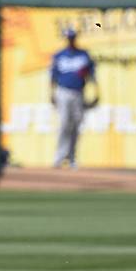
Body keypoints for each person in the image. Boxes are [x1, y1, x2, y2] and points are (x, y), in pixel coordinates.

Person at [50, 28, 97, 169]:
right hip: (63, 91)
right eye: (68, 38)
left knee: (76, 125)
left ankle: (72, 157)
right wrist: (51, 93)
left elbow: (92, 75)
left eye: (72, 38)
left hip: (78, 92)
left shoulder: (84, 55)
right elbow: (53, 76)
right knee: (64, 124)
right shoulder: (59, 55)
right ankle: (59, 157)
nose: (70, 40)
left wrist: (96, 92)